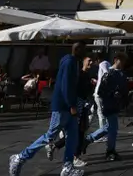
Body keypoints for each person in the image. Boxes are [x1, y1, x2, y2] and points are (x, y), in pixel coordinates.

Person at [9, 42, 86, 176]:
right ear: (78, 49)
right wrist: (71, 105)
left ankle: (67, 166)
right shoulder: (70, 62)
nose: (86, 53)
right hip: (63, 106)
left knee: (72, 137)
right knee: (50, 136)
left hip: (67, 105)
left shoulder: (73, 62)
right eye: (84, 49)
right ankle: (20, 157)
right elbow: (66, 85)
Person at [48, 54, 96, 167]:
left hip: (84, 104)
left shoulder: (87, 75)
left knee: (79, 130)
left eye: (92, 61)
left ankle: (58, 147)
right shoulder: (78, 75)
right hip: (77, 104)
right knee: (77, 131)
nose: (91, 63)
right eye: (89, 60)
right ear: (83, 61)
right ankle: (73, 156)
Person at [83, 53, 128, 161]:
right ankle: (110, 150)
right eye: (122, 61)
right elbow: (101, 91)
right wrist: (113, 94)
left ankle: (88, 140)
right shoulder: (110, 73)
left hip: (115, 103)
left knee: (109, 127)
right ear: (116, 60)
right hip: (109, 103)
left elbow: (123, 89)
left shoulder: (121, 73)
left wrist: (122, 96)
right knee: (113, 128)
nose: (123, 64)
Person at [93, 55, 111, 134]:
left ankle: (102, 132)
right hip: (103, 92)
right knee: (103, 111)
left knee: (100, 112)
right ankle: (107, 129)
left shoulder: (102, 64)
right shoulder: (108, 64)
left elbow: (106, 74)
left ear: (98, 60)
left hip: (99, 92)